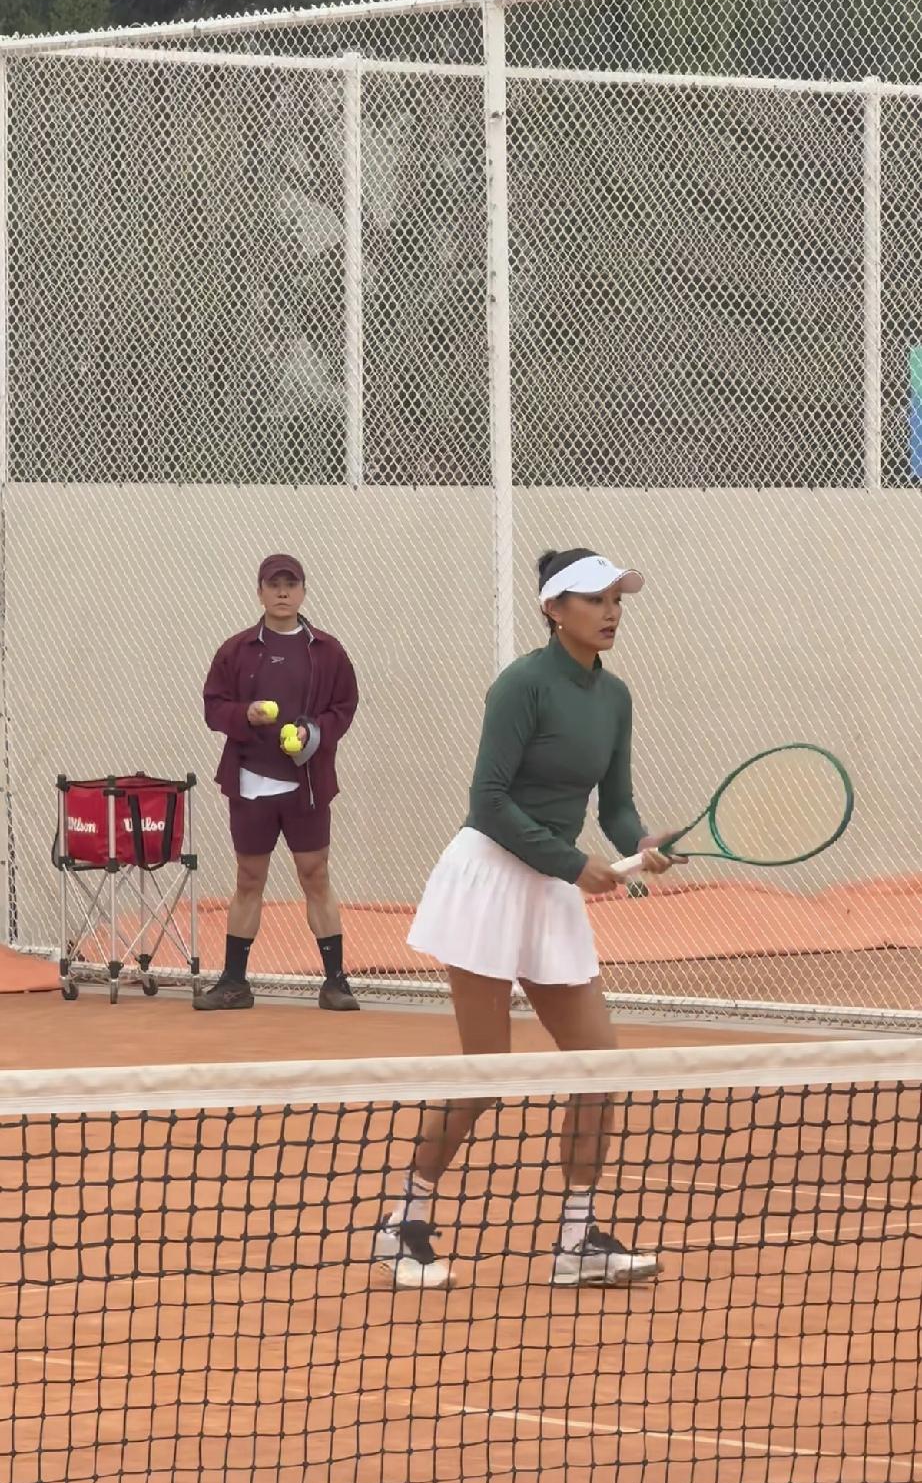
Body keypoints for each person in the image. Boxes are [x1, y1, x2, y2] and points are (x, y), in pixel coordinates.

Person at [373, 547, 681, 1289]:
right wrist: (573, 863)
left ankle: (577, 1243)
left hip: (550, 884)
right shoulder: (522, 686)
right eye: (594, 599)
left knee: (598, 1066)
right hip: (488, 878)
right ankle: (402, 1223)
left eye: (617, 600)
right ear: (553, 609)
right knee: (487, 1072)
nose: (611, 612)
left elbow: (614, 804)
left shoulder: (616, 697)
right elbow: (488, 801)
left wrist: (639, 843)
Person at [195, 553, 360, 1013]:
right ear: (260, 592)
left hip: (306, 785)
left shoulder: (327, 651)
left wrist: (314, 733)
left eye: (291, 584)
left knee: (315, 874)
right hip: (251, 783)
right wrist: (243, 714)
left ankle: (335, 983)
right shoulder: (236, 650)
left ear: (303, 591)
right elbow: (213, 707)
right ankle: (234, 983)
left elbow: (344, 706)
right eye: (274, 584)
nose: (283, 592)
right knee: (249, 878)